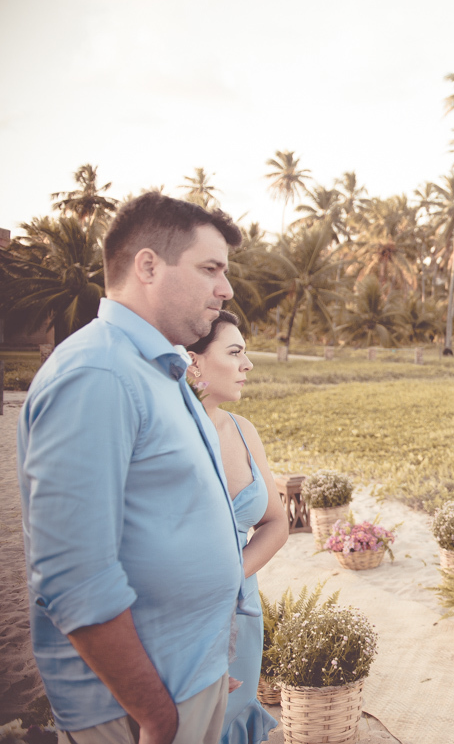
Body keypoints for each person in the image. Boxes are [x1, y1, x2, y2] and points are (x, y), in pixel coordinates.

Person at [18, 192, 244, 742]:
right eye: (210, 268)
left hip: (186, 680)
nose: (227, 288)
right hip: (133, 711)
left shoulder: (156, 369)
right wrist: (156, 713)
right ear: (148, 266)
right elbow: (75, 577)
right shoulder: (98, 373)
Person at [186, 310, 288, 744]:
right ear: (194, 362)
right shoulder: (165, 435)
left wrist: (233, 577)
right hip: (183, 615)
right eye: (235, 352)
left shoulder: (244, 430)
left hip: (242, 608)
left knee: (235, 715)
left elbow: (277, 522)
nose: (248, 365)